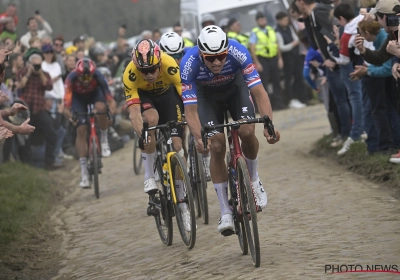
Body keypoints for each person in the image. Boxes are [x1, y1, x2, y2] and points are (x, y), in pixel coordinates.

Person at [181, 25, 280, 235]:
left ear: (227, 50)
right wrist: (200, 138)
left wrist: (269, 124)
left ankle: (253, 179)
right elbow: (190, 112)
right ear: (201, 54)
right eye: (210, 58)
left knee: (246, 131)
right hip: (207, 97)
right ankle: (225, 210)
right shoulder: (189, 63)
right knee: (216, 145)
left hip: (236, 89)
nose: (217, 62)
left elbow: (260, 93)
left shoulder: (238, 50)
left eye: (221, 56)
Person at [123, 39, 184, 194]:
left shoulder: (170, 64)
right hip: (146, 97)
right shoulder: (130, 74)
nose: (149, 74)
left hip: (168, 95)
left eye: (153, 69)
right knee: (151, 120)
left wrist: (189, 117)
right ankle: (149, 176)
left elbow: (184, 94)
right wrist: (142, 135)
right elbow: (134, 113)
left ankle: (182, 199)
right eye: (144, 71)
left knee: (177, 145)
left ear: (159, 63)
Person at [354, 0, 400, 162]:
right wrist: (363, 50)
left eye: (378, 19)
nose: (378, 24)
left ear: (385, 17)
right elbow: (380, 58)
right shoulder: (391, 34)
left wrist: (397, 54)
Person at [64, 58, 115, 187]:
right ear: (78, 74)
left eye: (89, 78)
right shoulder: (71, 78)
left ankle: (104, 139)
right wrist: (72, 118)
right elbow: (65, 107)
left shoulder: (98, 76)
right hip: (78, 99)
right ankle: (84, 172)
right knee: (81, 129)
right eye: (83, 78)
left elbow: (110, 100)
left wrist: (111, 114)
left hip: (95, 95)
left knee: (102, 108)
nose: (86, 81)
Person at [16, 53, 57, 169]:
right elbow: (20, 85)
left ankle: (49, 162)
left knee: (51, 133)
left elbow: (48, 86)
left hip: (39, 109)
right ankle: (27, 165)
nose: (36, 67)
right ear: (30, 63)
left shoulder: (45, 74)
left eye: (38, 65)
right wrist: (29, 73)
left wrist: (40, 73)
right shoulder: (23, 72)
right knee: (26, 137)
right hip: (26, 110)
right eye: (35, 65)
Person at [249, 12, 286, 110]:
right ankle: (266, 106)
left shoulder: (270, 29)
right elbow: (252, 48)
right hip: (263, 60)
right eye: (260, 20)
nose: (263, 21)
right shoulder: (255, 32)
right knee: (264, 84)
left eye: (264, 19)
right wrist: (257, 62)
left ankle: (280, 104)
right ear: (257, 21)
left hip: (274, 58)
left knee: (276, 82)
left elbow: (276, 44)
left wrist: (280, 58)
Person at [275, 11, 307, 109]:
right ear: (279, 21)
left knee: (299, 77)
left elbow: (295, 38)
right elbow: (281, 47)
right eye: (284, 20)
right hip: (287, 58)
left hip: (295, 56)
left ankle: (302, 98)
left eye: (287, 20)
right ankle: (291, 99)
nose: (286, 22)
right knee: (289, 79)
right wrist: (293, 44)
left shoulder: (289, 28)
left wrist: (295, 42)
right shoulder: (277, 32)